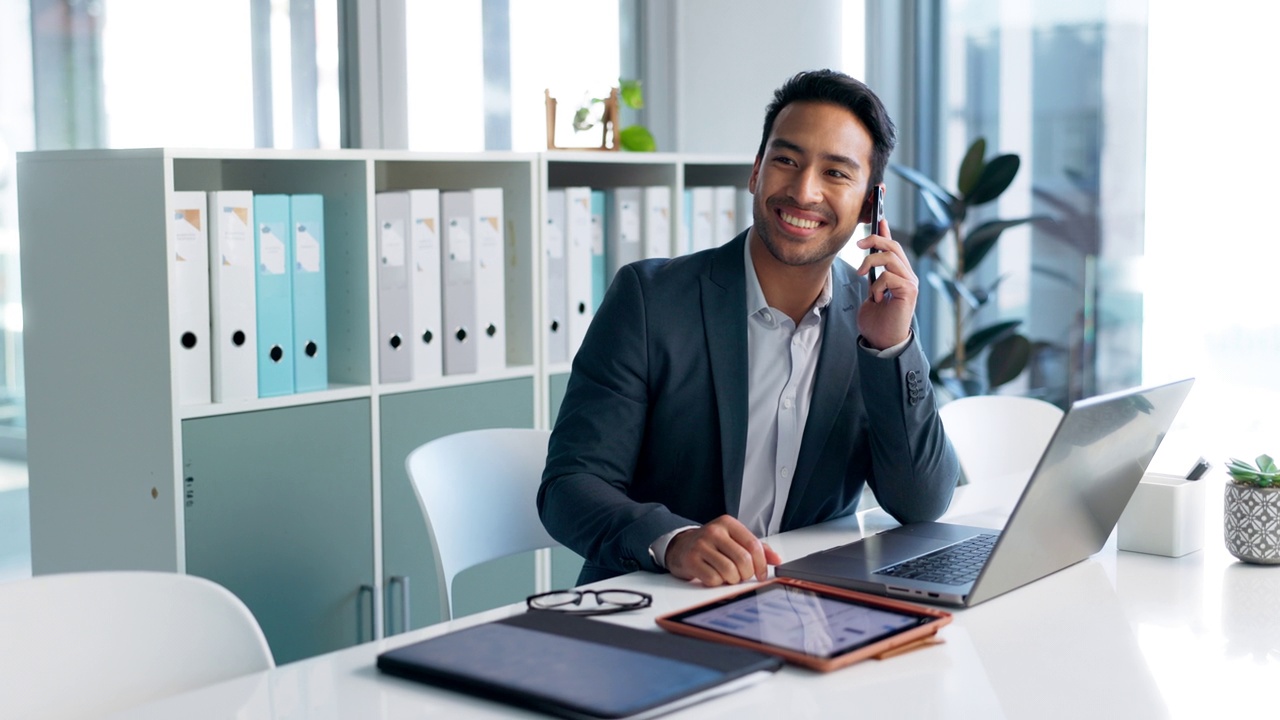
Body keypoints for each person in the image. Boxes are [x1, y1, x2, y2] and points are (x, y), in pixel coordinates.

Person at [538, 69, 960, 587]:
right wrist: (673, 542)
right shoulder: (649, 300)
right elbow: (569, 486)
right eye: (786, 160)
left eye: (836, 173)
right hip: (657, 604)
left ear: (870, 203)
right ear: (756, 172)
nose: (804, 192)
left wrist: (891, 347)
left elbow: (921, 503)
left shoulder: (873, 321)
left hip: (806, 605)